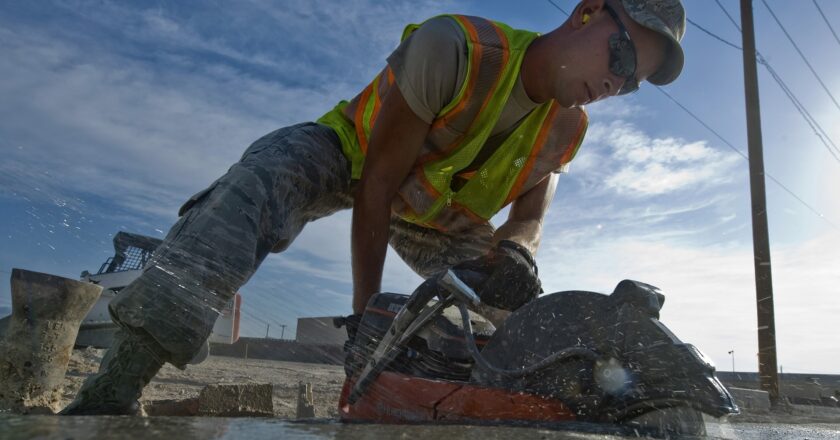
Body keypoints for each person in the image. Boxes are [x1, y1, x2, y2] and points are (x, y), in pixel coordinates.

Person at [61, 0, 686, 415]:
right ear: (588, 12)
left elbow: (531, 210)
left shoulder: (567, 130)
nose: (615, 85)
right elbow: (377, 184)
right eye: (621, 58)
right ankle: (117, 384)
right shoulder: (459, 48)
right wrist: (364, 323)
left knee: (511, 303)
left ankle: (482, 403)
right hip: (353, 157)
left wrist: (519, 249)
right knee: (259, 183)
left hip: (434, 210)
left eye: (631, 83)